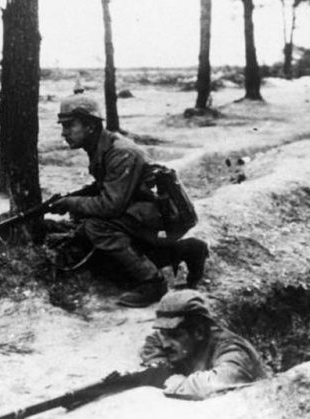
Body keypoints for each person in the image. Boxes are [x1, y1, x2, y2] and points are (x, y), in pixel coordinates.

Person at [49, 93, 208, 307]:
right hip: (146, 214)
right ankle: (186, 250)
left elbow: (110, 205)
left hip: (165, 218)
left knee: (97, 226)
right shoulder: (101, 147)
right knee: (108, 264)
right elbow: (105, 186)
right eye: (63, 126)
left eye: (69, 126)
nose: (64, 133)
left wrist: (71, 204)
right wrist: (73, 197)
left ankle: (153, 283)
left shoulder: (120, 153)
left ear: (90, 126)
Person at [139, 290, 269, 400]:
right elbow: (152, 342)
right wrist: (162, 366)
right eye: (164, 333)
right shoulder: (173, 338)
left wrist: (175, 381)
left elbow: (222, 381)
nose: (165, 344)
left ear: (199, 332)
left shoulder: (231, 348)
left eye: (175, 335)